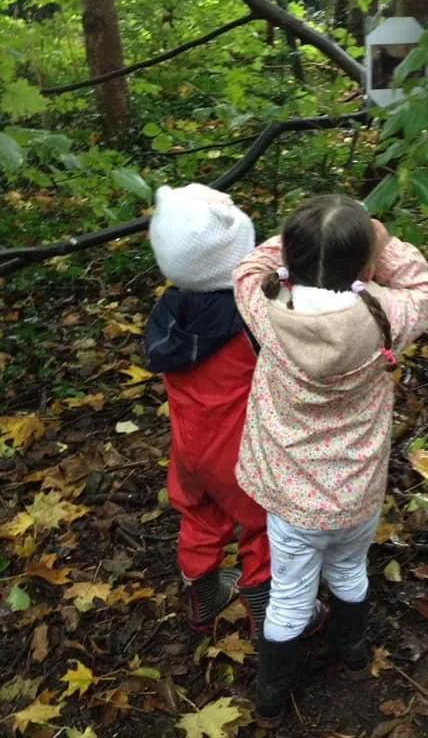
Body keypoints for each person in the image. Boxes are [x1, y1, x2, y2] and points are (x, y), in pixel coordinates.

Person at [233, 194, 428, 727]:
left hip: (292, 500)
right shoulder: (385, 311)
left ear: (291, 257)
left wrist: (296, 243)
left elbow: (247, 267)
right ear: (366, 264)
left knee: (288, 595)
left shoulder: (267, 303)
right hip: (356, 494)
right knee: (350, 569)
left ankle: (271, 698)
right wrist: (384, 243)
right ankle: (352, 655)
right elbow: (427, 290)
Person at [145, 183, 271, 635]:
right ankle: (269, 614)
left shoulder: (167, 315)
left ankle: (205, 596)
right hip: (241, 453)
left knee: (200, 516)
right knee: (264, 526)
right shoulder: (251, 318)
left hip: (189, 449)